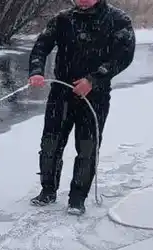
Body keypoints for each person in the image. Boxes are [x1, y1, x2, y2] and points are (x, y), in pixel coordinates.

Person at [26, 0, 135, 215]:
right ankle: (48, 190)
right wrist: (36, 71)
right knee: (50, 144)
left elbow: (123, 56)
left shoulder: (118, 20)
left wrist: (93, 80)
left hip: (95, 96)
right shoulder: (63, 19)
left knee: (87, 148)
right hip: (61, 93)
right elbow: (41, 46)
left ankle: (77, 198)